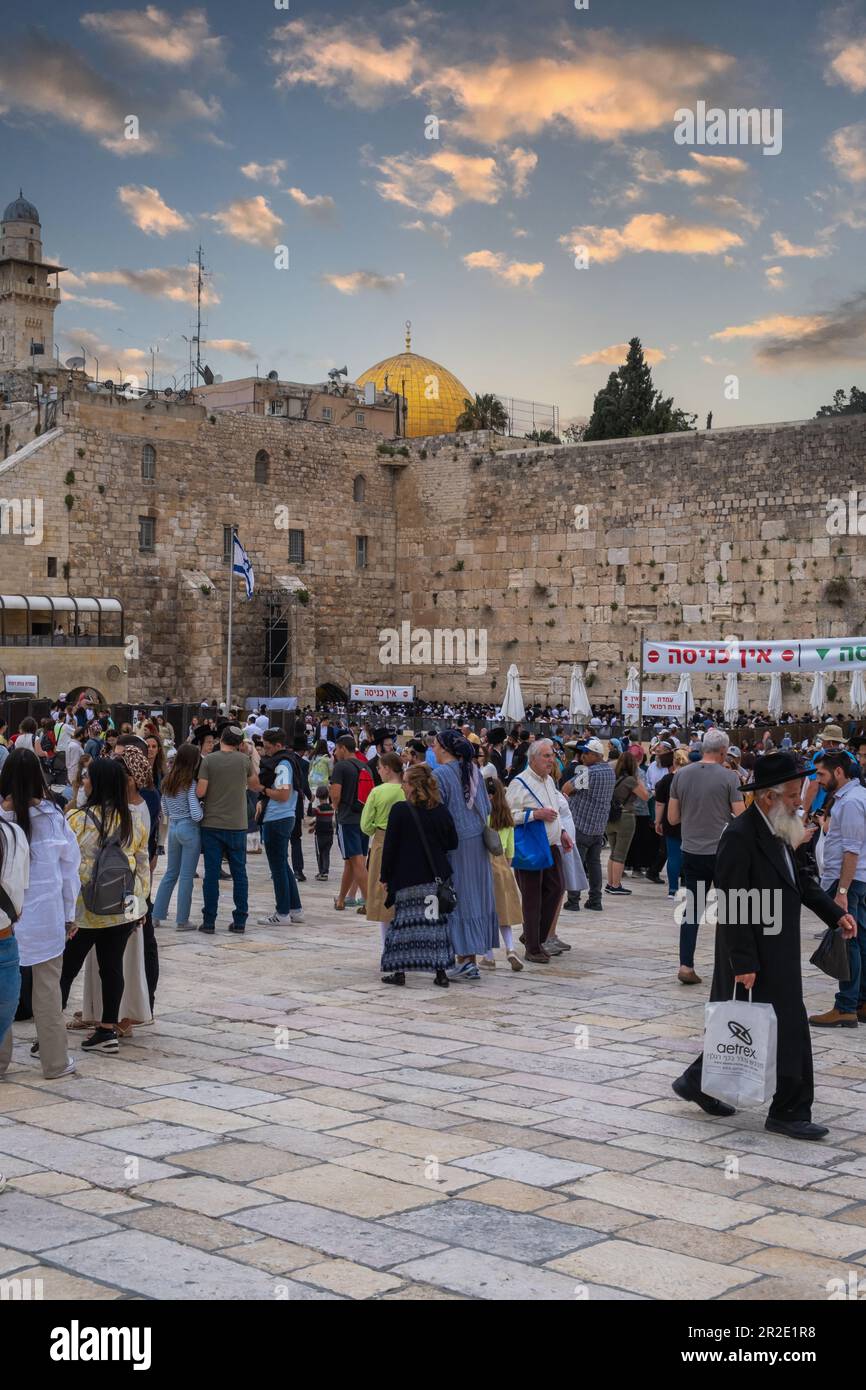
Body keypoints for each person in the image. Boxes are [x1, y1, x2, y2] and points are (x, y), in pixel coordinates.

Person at [672, 752, 857, 1142]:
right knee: (786, 1028)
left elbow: (801, 881)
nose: (799, 801)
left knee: (760, 1026)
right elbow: (733, 902)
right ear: (769, 797)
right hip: (754, 952)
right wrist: (744, 962)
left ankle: (697, 1082)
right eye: (792, 795)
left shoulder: (781, 827)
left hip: (778, 948)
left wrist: (833, 913)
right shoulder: (740, 836)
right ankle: (789, 1111)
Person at [61, 759, 149, 1054]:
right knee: (112, 968)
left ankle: (49, 1033)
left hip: (85, 910)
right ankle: (107, 1030)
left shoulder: (77, 819)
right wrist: (140, 908)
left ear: (97, 783)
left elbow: (66, 867)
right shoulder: (132, 819)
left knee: (65, 971)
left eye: (87, 777)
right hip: (122, 907)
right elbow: (142, 866)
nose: (83, 780)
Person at [0, 753, 64, 1077]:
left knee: (2, 994)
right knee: (48, 990)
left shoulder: (1, 818)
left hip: (7, 920)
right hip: (46, 918)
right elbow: (68, 869)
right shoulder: (53, 816)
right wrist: (70, 913)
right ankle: (54, 1062)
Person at [667, 728, 746, 985]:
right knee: (729, 910)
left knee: (693, 909)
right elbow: (741, 817)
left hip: (691, 850)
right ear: (724, 751)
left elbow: (672, 818)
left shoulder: (681, 775)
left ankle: (686, 965)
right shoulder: (730, 777)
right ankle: (731, 967)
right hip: (721, 852)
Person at [378, 762, 458, 988]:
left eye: (404, 782)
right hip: (434, 880)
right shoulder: (441, 810)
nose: (402, 786)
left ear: (413, 786)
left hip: (407, 879)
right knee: (435, 926)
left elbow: (390, 847)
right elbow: (452, 842)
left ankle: (399, 971)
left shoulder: (400, 810)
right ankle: (440, 972)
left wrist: (385, 876)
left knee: (404, 925)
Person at [434, 728, 500, 980]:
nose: (433, 749)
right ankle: (469, 959)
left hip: (455, 846)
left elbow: (438, 813)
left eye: (436, 745)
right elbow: (486, 807)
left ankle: (461, 956)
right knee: (474, 897)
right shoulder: (473, 771)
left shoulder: (440, 775)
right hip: (477, 846)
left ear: (445, 748)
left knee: (455, 898)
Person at [808, 750, 866, 1028]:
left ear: (839, 772)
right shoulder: (850, 798)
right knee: (860, 940)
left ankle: (846, 1005)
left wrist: (841, 892)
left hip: (849, 880)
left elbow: (852, 851)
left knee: (848, 941)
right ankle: (859, 1000)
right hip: (852, 880)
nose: (818, 780)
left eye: (821, 774)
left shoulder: (852, 802)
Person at [506, 739, 572, 964]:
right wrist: (535, 815)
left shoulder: (549, 781)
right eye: (546, 756)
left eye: (552, 755)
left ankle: (534, 935)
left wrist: (562, 831)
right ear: (532, 759)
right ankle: (533, 947)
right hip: (531, 846)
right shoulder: (519, 783)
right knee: (532, 896)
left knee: (557, 888)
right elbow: (507, 816)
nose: (551, 760)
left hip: (551, 844)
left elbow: (555, 810)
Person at [196, 725, 260, 935]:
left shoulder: (209, 761)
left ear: (221, 739)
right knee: (239, 873)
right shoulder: (244, 761)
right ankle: (240, 920)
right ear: (239, 743)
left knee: (211, 874)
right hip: (237, 824)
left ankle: (209, 921)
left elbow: (201, 791)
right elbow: (253, 785)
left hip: (212, 824)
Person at [152, 743, 203, 931]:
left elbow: (164, 809)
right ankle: (182, 920)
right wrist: (203, 809)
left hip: (173, 828)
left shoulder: (167, 780)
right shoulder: (190, 782)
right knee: (186, 876)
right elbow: (196, 814)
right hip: (189, 828)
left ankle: (156, 916)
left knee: (170, 873)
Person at [256, 727, 304, 927]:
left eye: (268, 748)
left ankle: (282, 912)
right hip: (283, 817)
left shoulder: (283, 764)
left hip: (278, 818)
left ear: (278, 745)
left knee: (277, 868)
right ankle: (295, 909)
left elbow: (283, 794)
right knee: (284, 865)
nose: (266, 752)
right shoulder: (287, 760)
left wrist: (263, 790)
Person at [360, 751, 405, 954]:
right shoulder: (407, 790)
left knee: (382, 894)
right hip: (406, 844)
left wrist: (375, 830)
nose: (378, 771)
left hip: (381, 841)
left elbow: (365, 825)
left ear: (387, 769)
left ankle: (387, 946)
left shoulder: (378, 792)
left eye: (379, 768)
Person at [563, 738, 614, 913]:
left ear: (595, 755)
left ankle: (573, 900)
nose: (582, 756)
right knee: (594, 864)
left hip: (582, 825)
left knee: (577, 864)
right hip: (599, 827)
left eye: (586, 753)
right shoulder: (609, 771)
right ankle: (595, 899)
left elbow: (566, 788)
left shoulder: (589, 773)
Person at [479, 773, 524, 971]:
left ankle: (488, 956)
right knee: (503, 911)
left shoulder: (482, 816)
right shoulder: (507, 818)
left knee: (486, 912)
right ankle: (511, 949)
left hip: (484, 864)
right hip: (503, 866)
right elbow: (510, 852)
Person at [330, 736, 371, 913]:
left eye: (337, 749)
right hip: (362, 818)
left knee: (356, 861)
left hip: (347, 819)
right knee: (352, 861)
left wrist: (335, 807)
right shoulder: (365, 766)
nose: (335, 753)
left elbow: (336, 794)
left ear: (343, 748)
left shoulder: (341, 767)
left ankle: (370, 902)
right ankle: (341, 900)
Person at [605, 750, 650, 895]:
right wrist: (639, 779)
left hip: (610, 817)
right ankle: (616, 885)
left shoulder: (612, 776)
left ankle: (610, 883)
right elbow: (645, 796)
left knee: (613, 852)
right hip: (625, 817)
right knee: (620, 854)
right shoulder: (631, 780)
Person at [654, 747, 688, 897]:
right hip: (689, 821)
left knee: (673, 855)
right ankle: (687, 886)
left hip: (670, 819)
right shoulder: (691, 779)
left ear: (674, 762)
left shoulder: (667, 780)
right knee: (689, 856)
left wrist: (657, 821)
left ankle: (673, 890)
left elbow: (660, 803)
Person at [309, 784, 335, 880]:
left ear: (318, 796)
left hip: (320, 835)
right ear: (328, 796)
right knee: (326, 853)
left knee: (320, 854)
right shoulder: (331, 809)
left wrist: (310, 802)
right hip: (329, 835)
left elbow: (310, 813)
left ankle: (321, 872)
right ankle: (325, 872)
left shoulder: (318, 809)